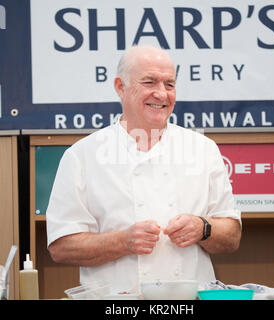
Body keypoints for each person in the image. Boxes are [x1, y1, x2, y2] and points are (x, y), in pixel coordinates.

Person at [46, 45, 241, 292]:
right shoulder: (82, 155)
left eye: (169, 84)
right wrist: (122, 241)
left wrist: (203, 228)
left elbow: (232, 236)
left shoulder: (203, 149)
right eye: (149, 82)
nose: (161, 94)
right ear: (120, 87)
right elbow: (61, 247)